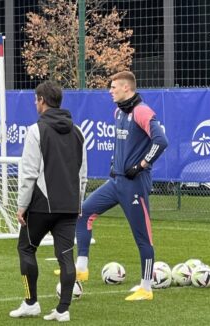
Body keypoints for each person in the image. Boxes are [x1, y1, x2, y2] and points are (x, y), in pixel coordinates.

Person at [74, 71, 168, 301]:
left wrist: (141, 165)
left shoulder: (142, 111)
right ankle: (82, 267)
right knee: (83, 212)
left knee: (143, 237)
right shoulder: (119, 112)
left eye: (114, 86)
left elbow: (161, 141)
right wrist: (116, 163)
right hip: (116, 182)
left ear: (127, 88)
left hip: (135, 184)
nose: (110, 90)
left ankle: (146, 287)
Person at [9, 81, 87, 322]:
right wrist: (79, 203)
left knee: (26, 248)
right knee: (65, 255)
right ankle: (63, 310)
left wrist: (22, 205)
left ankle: (31, 302)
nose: (35, 103)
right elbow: (82, 174)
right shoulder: (78, 131)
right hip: (69, 206)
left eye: (36, 99)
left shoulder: (36, 130)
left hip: (42, 205)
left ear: (42, 100)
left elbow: (29, 173)